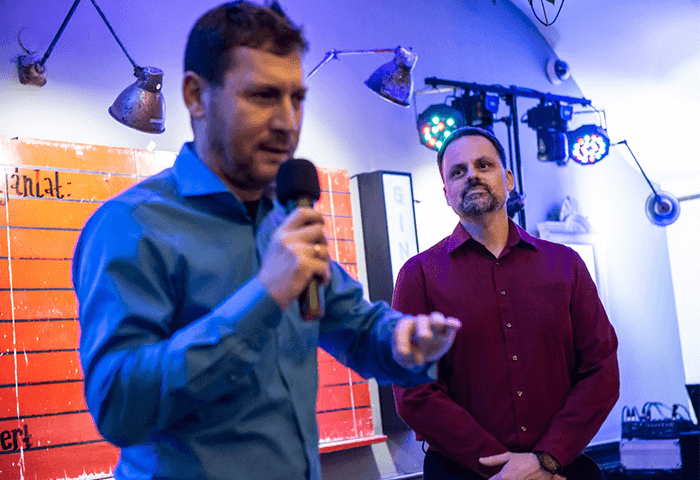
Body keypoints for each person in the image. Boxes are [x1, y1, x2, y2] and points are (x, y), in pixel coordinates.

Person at [71, 2, 461, 479]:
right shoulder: (130, 226)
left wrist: (401, 343)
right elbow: (119, 409)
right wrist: (264, 295)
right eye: (262, 96)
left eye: (296, 98)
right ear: (195, 95)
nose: (287, 122)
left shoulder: (285, 217)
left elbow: (357, 330)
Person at [392, 126, 620, 480]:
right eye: (458, 171)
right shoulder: (418, 275)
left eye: (484, 165)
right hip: (462, 473)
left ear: (508, 178)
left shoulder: (566, 265)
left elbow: (601, 369)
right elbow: (414, 391)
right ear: (446, 193)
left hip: (562, 470)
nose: (472, 176)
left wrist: (546, 458)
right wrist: (504, 466)